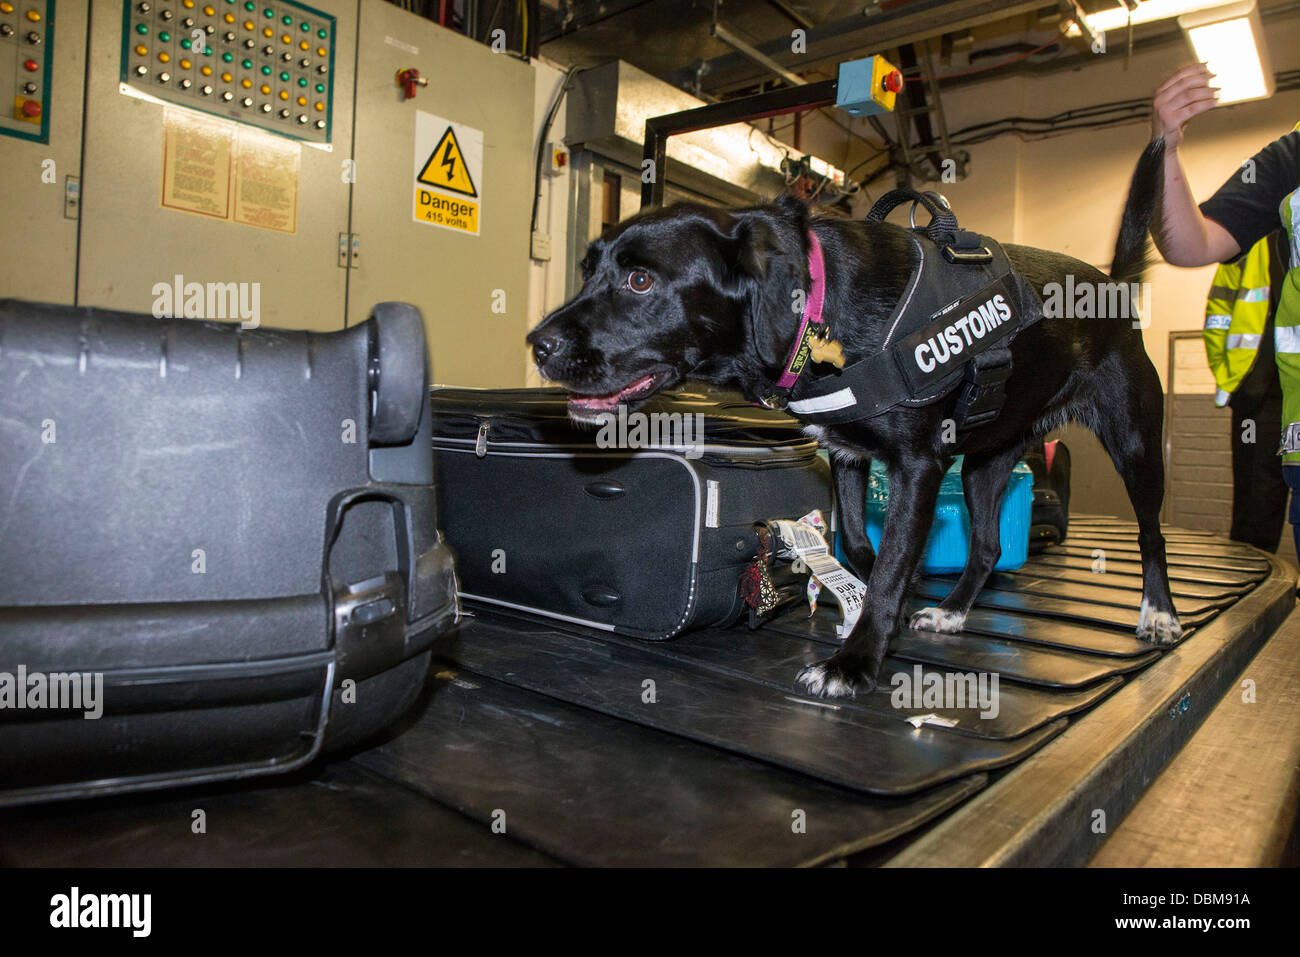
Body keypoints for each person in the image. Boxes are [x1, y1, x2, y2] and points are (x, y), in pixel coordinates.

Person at [1149, 63, 1300, 557]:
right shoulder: (1291, 159)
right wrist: (1163, 147)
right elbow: (1187, 244)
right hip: (1272, 404)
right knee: (1255, 529)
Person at [1202, 229, 1289, 551]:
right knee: (1256, 494)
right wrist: (1230, 377)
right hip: (1258, 392)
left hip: (1290, 391)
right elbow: (1218, 316)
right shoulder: (1245, 247)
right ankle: (1252, 581)